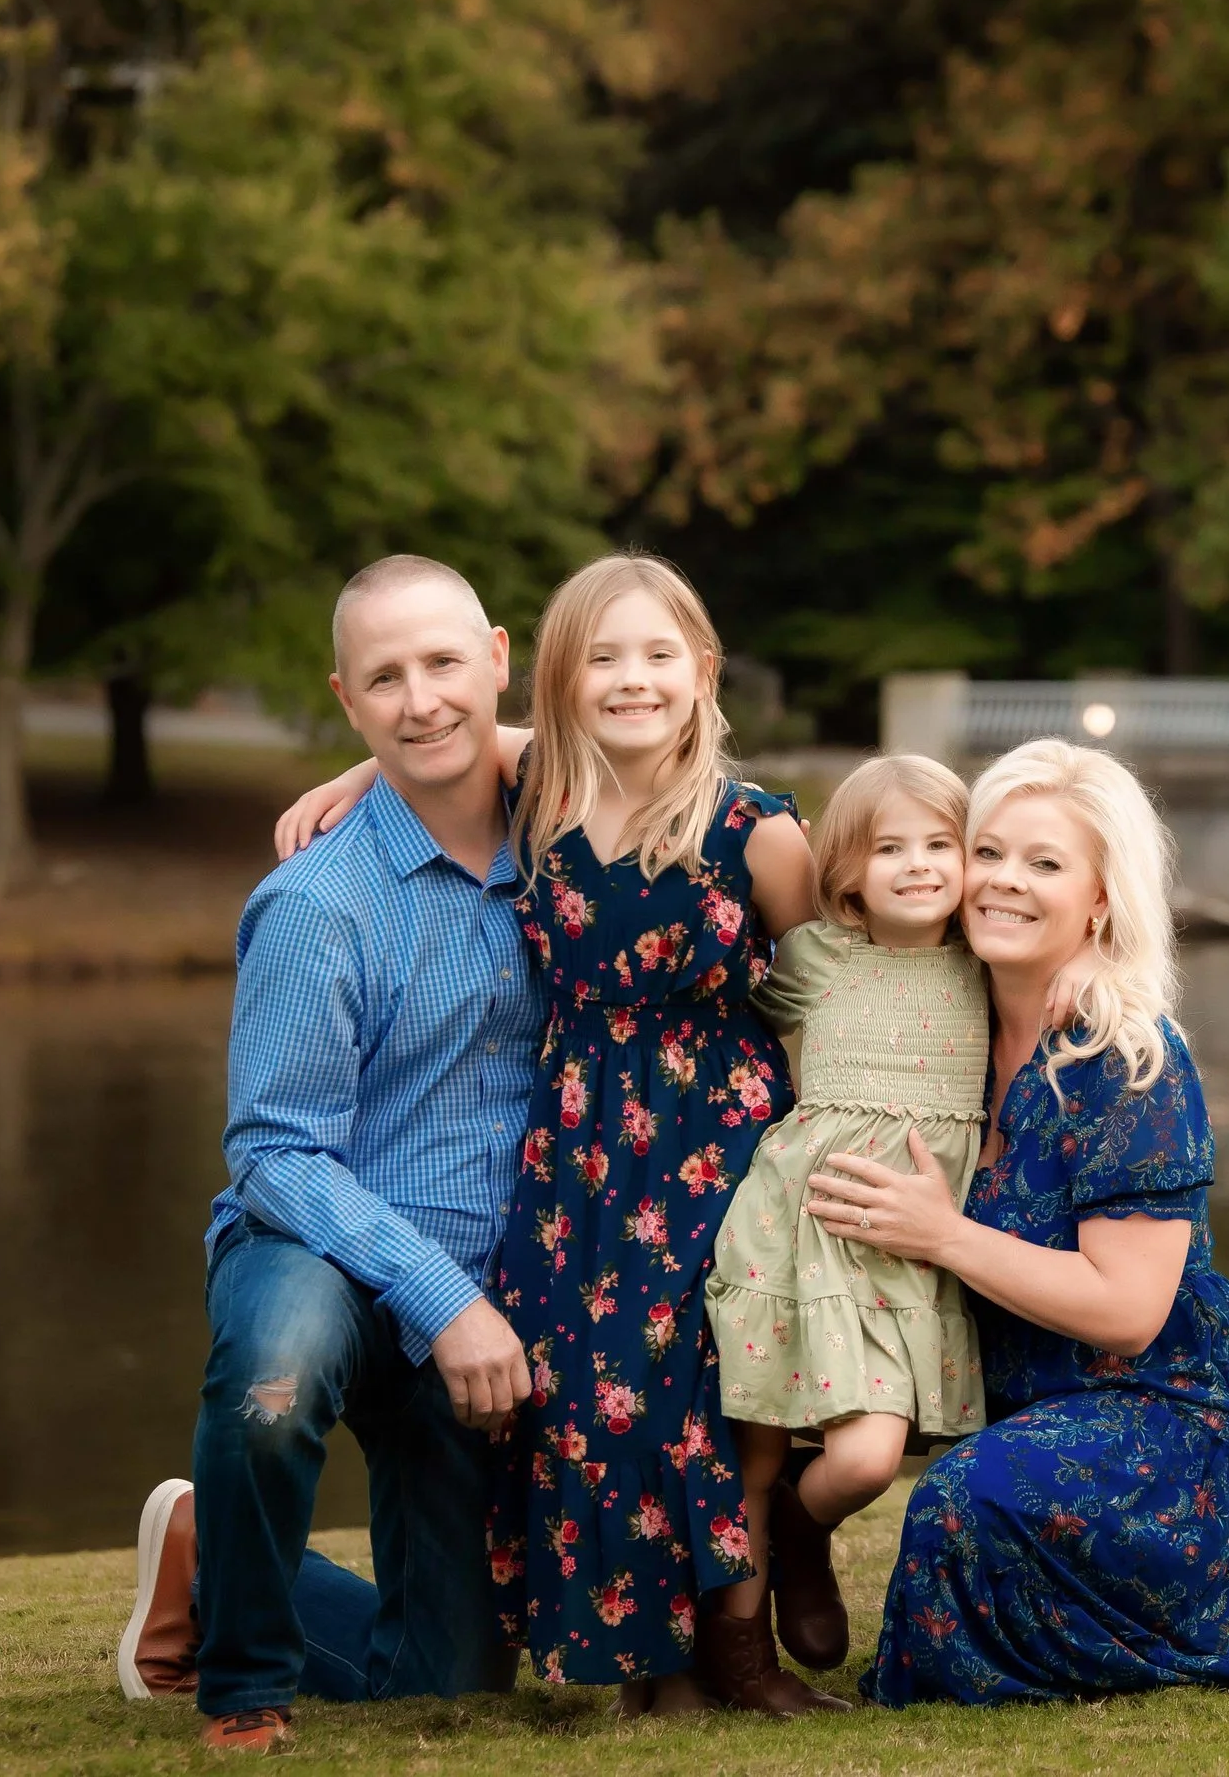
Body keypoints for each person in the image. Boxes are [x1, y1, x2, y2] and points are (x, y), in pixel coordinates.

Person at [805, 738, 1229, 1706]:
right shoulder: (943, 1020)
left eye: (1045, 863)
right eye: (992, 852)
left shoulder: (1127, 1057)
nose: (1004, 882)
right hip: (1022, 1401)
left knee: (959, 1502)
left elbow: (1129, 1309)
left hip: (1162, 1408)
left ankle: (1135, 1608)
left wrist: (942, 1234)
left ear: (1100, 898)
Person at [275, 553, 843, 1719]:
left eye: (657, 654)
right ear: (554, 679)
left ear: (703, 670)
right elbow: (444, 737)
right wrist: (354, 773)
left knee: (702, 1391)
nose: (631, 680)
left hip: (717, 1148)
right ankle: (646, 1664)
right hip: (576, 1155)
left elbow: (840, 991)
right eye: (601, 658)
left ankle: (731, 1651)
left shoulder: (757, 832)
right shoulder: (540, 797)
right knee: (589, 1402)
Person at [114, 555, 542, 1754]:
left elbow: (666, 749)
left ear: (499, 660)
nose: (420, 701)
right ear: (346, 699)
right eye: (384, 681)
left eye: (443, 665)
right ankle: (239, 1685)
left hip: (486, 1294)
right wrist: (446, 1301)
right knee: (277, 1373)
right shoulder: (318, 902)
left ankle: (210, 1552)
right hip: (321, 1249)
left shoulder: (568, 843)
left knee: (448, 1682)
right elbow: (275, 1151)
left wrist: (471, 1307)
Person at [702, 754, 993, 1676]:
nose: (917, 864)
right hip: (810, 1228)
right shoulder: (817, 960)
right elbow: (713, 1008)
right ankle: (748, 1633)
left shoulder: (988, 965)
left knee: (870, 1457)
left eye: (939, 844)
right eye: (890, 848)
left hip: (913, 1241)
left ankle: (799, 1527)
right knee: (804, 1453)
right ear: (847, 874)